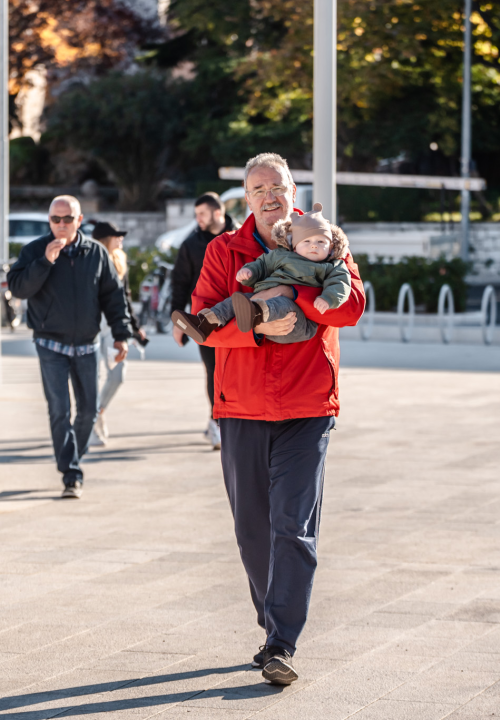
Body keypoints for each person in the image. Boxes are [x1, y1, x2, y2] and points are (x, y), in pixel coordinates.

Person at [191, 153, 365, 685]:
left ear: (293, 192)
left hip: (308, 408)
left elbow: (350, 305)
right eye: (257, 189)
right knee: (252, 531)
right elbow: (203, 321)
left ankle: (281, 641)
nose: (269, 196)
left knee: (293, 525)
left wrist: (299, 300)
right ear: (247, 199)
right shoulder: (227, 250)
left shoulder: (327, 241)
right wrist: (259, 329)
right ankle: (272, 622)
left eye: (277, 186)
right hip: (241, 405)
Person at [7, 196, 132, 499]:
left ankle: (71, 457)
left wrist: (121, 334)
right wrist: (45, 262)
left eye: (67, 219)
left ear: (79, 220)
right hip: (50, 343)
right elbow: (18, 287)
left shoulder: (97, 253)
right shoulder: (35, 250)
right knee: (60, 410)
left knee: (88, 411)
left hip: (87, 345)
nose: (61, 225)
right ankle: (71, 473)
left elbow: (114, 297)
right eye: (55, 219)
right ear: (49, 220)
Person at [172, 203, 351, 345]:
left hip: (297, 324)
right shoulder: (282, 255)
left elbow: (341, 284)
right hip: (262, 309)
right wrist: (249, 272)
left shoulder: (332, 265)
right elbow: (262, 265)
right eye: (307, 241)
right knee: (235, 300)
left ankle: (255, 313)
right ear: (295, 246)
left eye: (321, 242)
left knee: (281, 302)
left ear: (330, 248)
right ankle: (205, 323)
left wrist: (327, 298)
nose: (314, 245)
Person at [169, 192, 236, 450]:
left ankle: (234, 421)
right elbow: (180, 284)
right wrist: (177, 321)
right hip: (203, 321)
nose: (197, 220)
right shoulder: (191, 245)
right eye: (196, 215)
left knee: (234, 371)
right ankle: (216, 421)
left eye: (202, 214)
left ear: (217, 213)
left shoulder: (241, 236)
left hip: (236, 318)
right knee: (214, 372)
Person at [89, 221, 148, 447]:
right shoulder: (91, 260)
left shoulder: (120, 261)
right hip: (93, 326)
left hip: (113, 326)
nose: (121, 239)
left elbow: (125, 297)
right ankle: (92, 424)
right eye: (117, 236)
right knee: (92, 378)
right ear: (105, 239)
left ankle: (98, 410)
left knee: (118, 375)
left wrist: (133, 326)